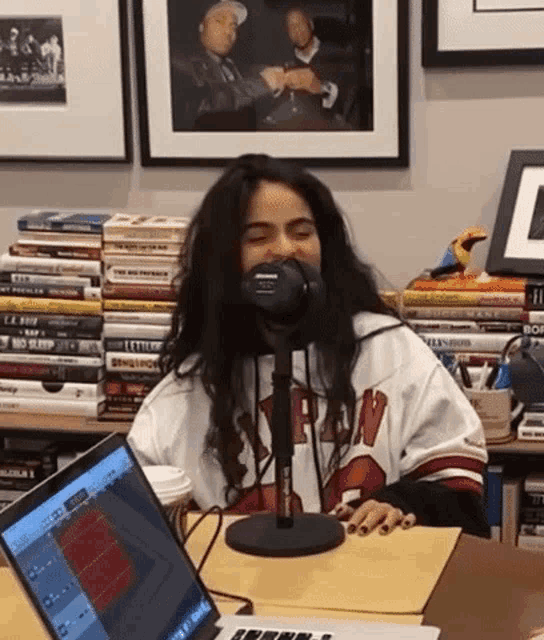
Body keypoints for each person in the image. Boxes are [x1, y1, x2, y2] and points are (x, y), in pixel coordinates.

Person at [127, 154, 490, 539]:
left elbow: (459, 491)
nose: (285, 249)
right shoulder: (184, 396)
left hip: (374, 585)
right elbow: (140, 532)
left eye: (301, 232)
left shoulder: (388, 351)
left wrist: (404, 503)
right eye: (258, 237)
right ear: (224, 258)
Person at [170, 0, 285, 131]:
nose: (228, 32)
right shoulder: (178, 63)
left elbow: (245, 84)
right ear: (202, 25)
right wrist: (263, 84)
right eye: (220, 21)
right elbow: (201, 103)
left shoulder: (230, 65)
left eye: (233, 26)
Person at [260, 8, 356, 131]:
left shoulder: (337, 55)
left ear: (310, 24)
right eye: (291, 27)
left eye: (300, 24)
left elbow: (349, 101)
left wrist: (320, 88)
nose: (297, 30)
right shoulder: (283, 64)